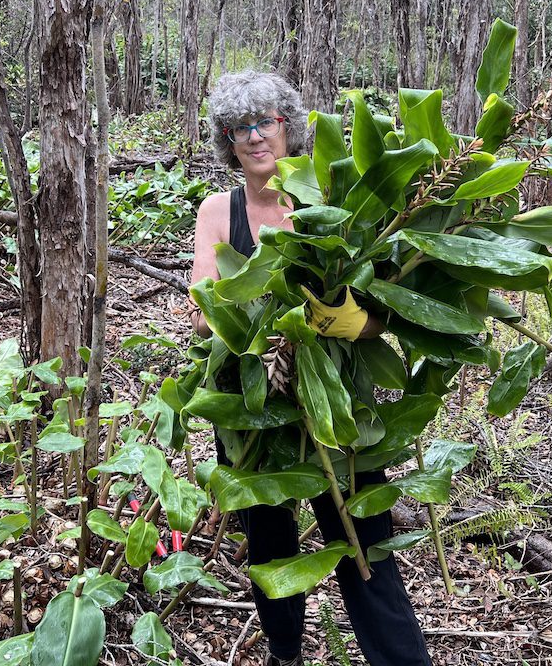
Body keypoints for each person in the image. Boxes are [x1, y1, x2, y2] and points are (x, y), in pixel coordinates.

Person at [190, 71, 433, 666]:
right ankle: (285, 651)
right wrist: (260, 313)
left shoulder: (332, 195)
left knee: (361, 542)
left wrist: (348, 321)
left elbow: (383, 313)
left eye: (264, 122)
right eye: (238, 128)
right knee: (269, 542)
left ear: (288, 126)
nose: (253, 137)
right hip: (256, 410)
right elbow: (201, 311)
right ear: (228, 141)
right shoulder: (220, 212)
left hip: (338, 404)